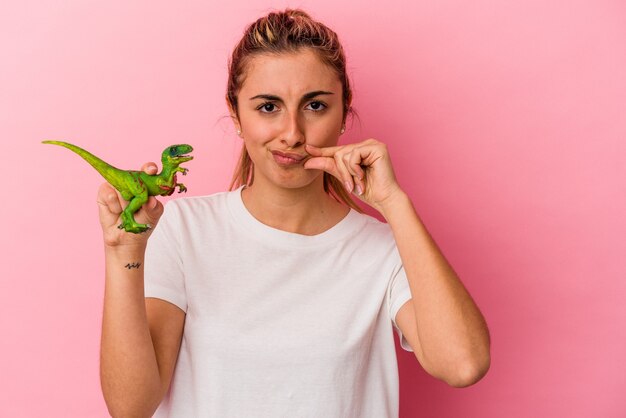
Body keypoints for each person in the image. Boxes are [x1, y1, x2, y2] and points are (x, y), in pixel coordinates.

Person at [98, 8, 490, 418]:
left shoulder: (385, 249)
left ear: (343, 114)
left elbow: (463, 364)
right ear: (236, 115)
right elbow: (131, 406)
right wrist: (123, 252)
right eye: (268, 107)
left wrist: (394, 203)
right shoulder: (183, 229)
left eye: (315, 106)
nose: (292, 133)